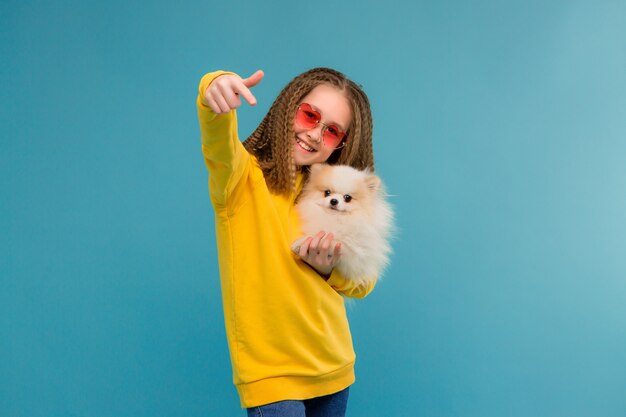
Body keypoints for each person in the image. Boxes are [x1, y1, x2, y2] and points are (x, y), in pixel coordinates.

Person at [197, 67, 377, 417]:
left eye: (331, 131)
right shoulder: (240, 179)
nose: (313, 134)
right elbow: (218, 144)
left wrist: (328, 271)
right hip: (272, 374)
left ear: (341, 143)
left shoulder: (330, 193)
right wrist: (213, 90)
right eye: (310, 115)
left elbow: (365, 280)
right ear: (288, 106)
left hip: (333, 366)